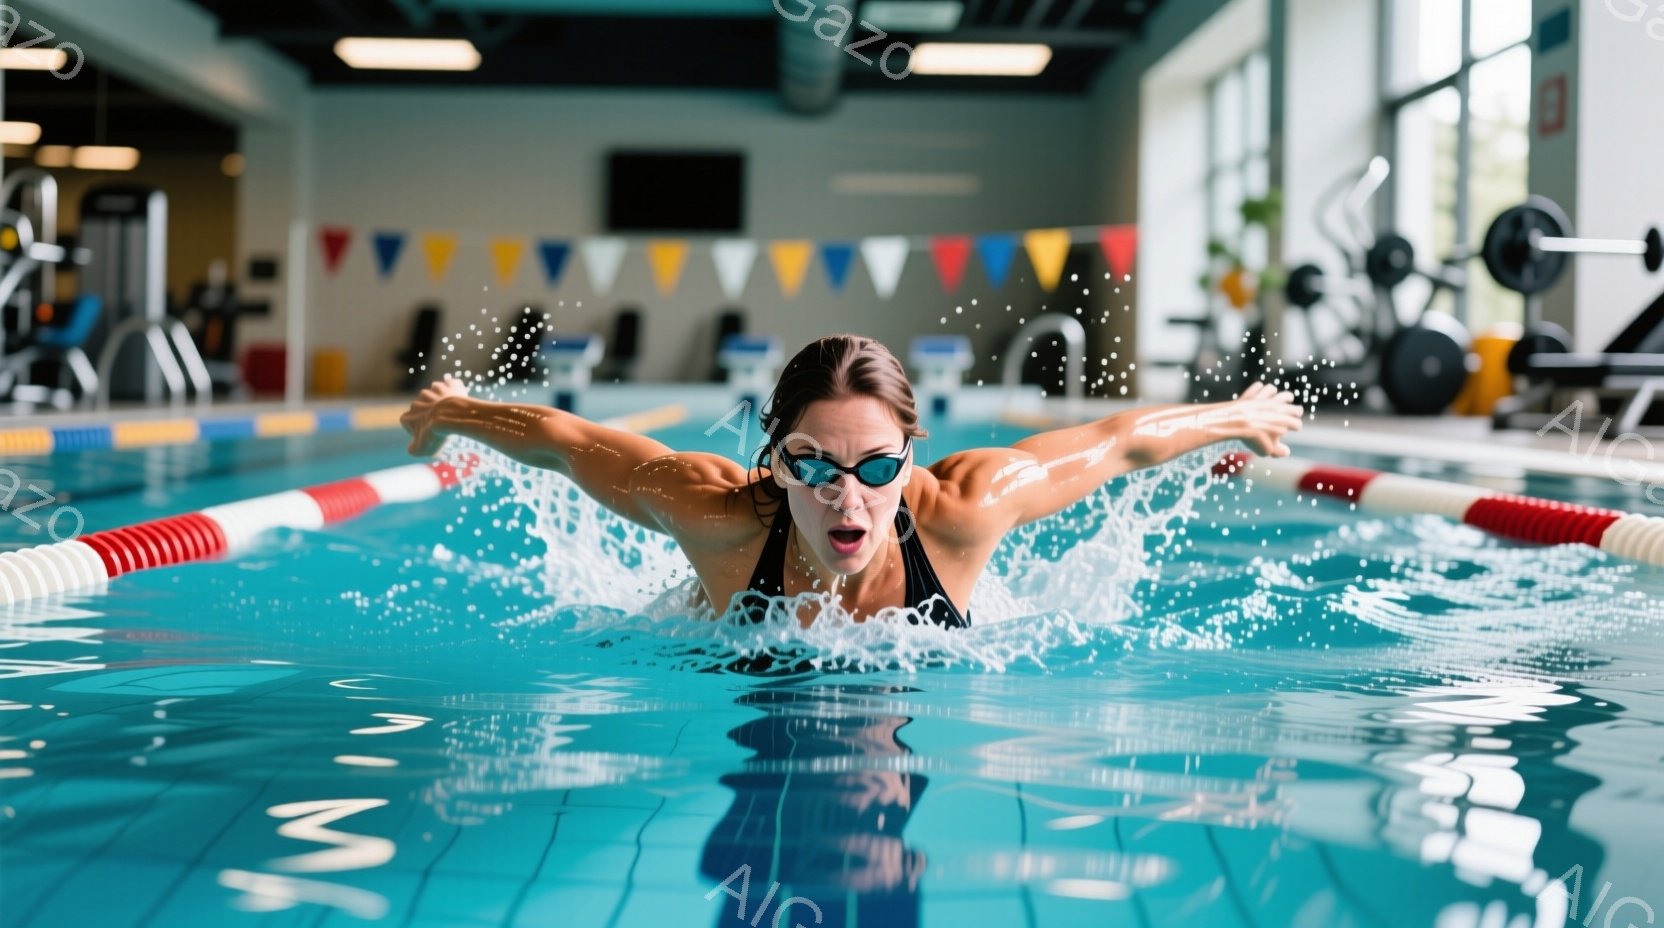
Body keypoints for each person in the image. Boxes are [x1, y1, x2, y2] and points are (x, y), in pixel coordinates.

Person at [400, 334, 1302, 627]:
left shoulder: (966, 509)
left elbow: (1117, 443)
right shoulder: (714, 515)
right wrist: (456, 410)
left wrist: (1235, 416)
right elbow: (568, 440)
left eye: (874, 466)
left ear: (910, 457)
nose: (846, 495)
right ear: (776, 461)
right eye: (813, 464)